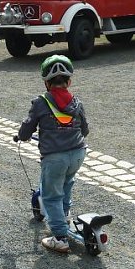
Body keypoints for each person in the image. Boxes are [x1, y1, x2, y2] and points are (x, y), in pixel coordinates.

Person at [16, 55, 89, 254]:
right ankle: (64, 216)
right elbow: (85, 129)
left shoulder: (41, 102)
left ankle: (59, 237)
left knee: (50, 196)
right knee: (66, 184)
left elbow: (27, 127)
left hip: (55, 157)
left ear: (46, 83)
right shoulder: (76, 102)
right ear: (69, 81)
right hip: (78, 153)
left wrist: (21, 136)